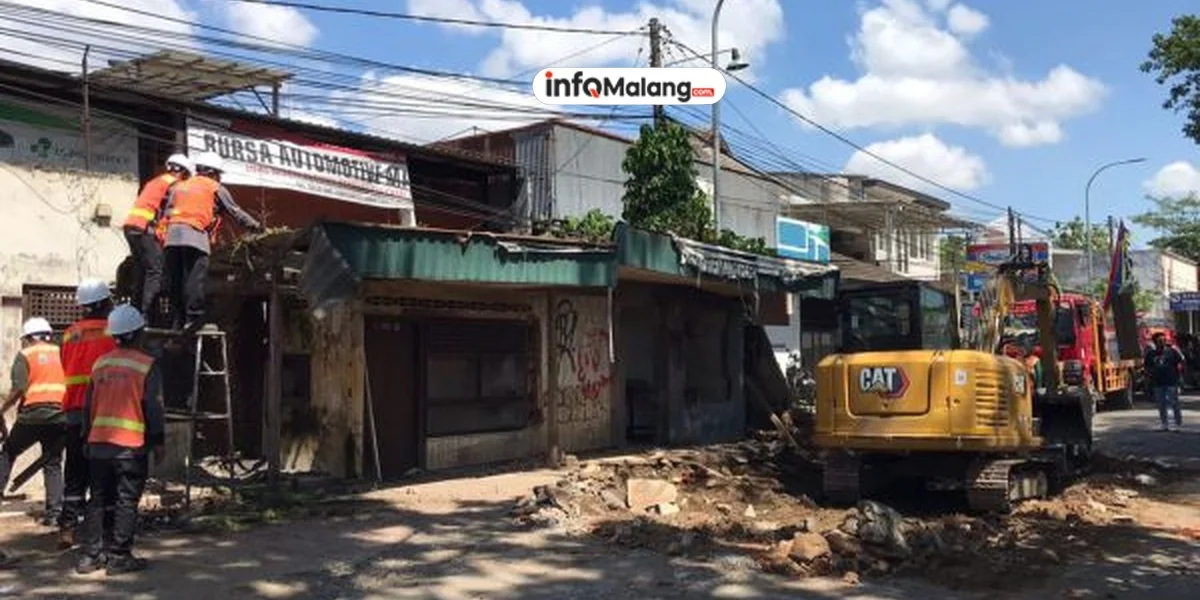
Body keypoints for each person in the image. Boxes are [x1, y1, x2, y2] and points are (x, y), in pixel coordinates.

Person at [76, 305, 164, 575]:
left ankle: (91, 556)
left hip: (98, 445)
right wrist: (158, 441)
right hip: (130, 446)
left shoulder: (100, 364)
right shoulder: (146, 365)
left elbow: (88, 406)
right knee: (126, 500)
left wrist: (86, 438)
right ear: (138, 334)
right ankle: (120, 556)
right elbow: (153, 407)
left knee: (98, 499)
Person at [161, 151, 262, 333]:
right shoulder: (214, 187)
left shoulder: (179, 186)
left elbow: (166, 212)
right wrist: (256, 226)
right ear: (213, 173)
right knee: (195, 278)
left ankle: (177, 320)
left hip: (172, 237)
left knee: (176, 279)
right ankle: (194, 318)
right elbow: (235, 211)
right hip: (194, 236)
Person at [57, 279, 116, 548]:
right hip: (101, 410)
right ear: (104, 303)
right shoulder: (112, 331)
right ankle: (103, 528)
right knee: (101, 471)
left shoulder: (69, 333)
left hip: (73, 409)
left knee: (74, 470)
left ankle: (67, 529)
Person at [0, 318, 66, 525]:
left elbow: (19, 388)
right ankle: (55, 513)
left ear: (30, 337)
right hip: (60, 416)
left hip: (32, 416)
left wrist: (2, 408)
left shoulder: (25, 355)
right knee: (52, 462)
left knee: (9, 451)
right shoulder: (62, 352)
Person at [124, 154, 193, 321]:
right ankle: (146, 314)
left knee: (143, 270)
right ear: (182, 172)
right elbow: (169, 211)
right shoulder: (174, 185)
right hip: (144, 228)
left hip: (131, 226)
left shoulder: (156, 181)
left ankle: (135, 311)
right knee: (156, 270)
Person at [1143, 332, 1185, 432]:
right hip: (1158, 382)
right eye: (1159, 341)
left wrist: (1180, 376)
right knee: (1161, 404)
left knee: (1174, 403)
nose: (1162, 343)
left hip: (1171, 381)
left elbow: (1181, 362)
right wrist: (1148, 379)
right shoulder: (1150, 354)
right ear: (1155, 342)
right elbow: (1147, 367)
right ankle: (1164, 424)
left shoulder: (1172, 351)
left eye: (1164, 340)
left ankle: (1178, 424)